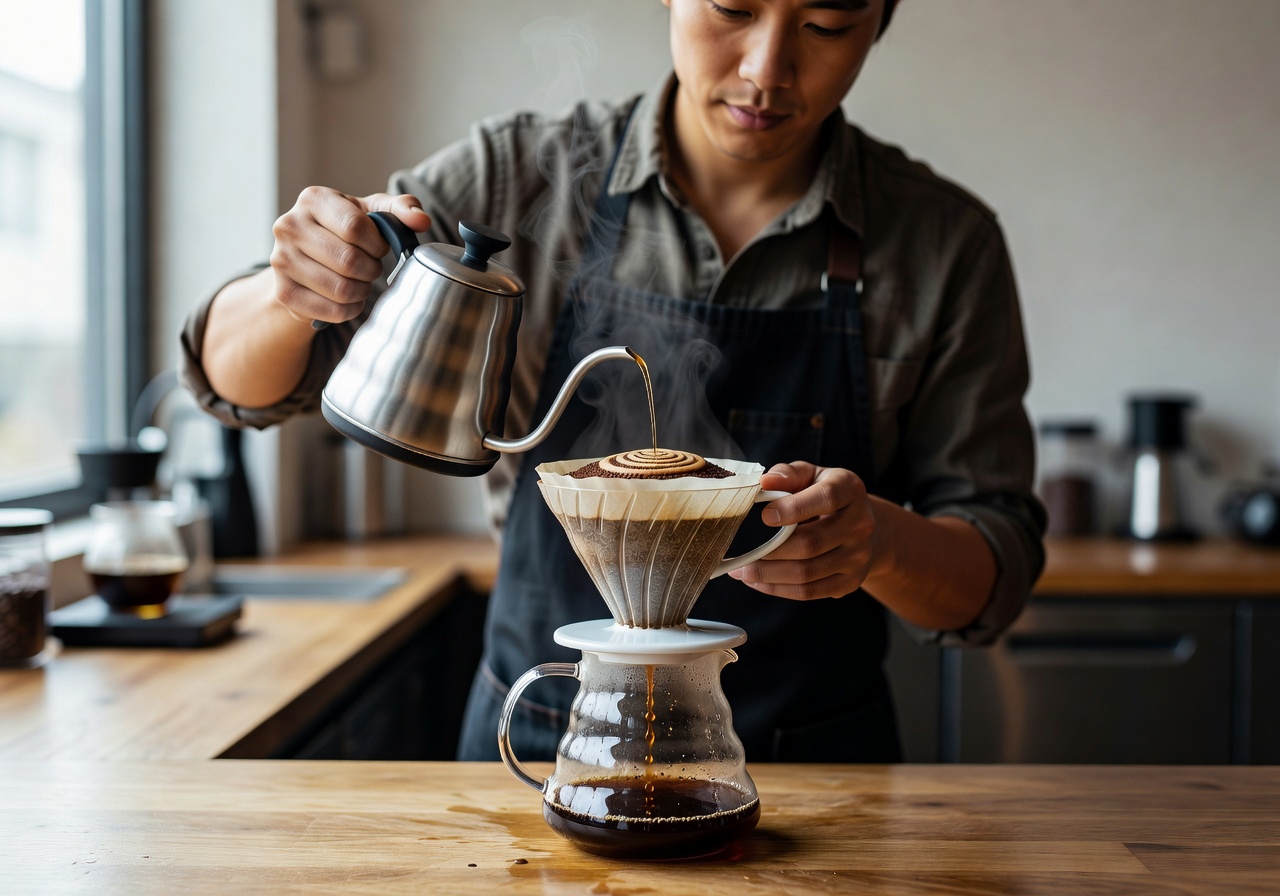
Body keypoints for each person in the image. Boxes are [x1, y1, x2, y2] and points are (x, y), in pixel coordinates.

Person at [182, 0, 1045, 762]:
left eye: (826, 24)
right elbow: (233, 381)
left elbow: (991, 576)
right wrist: (296, 288)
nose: (766, 69)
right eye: (732, 8)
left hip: (811, 775)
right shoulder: (518, 175)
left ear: (880, 21)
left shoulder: (942, 245)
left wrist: (881, 544)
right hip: (536, 745)